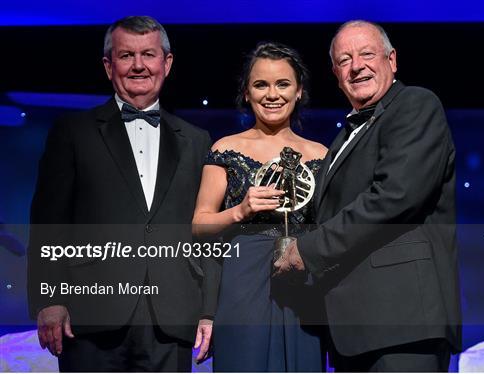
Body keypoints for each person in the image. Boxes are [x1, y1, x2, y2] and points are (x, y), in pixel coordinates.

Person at [27, 16, 220, 372]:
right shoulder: (73, 132)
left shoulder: (196, 140)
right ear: (108, 65)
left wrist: (208, 310)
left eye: (148, 54)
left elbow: (205, 231)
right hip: (90, 314)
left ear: (167, 62)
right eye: (126, 55)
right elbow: (48, 222)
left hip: (172, 315)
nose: (138, 65)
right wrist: (48, 299)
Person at [274, 20, 462, 372]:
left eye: (366, 54)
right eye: (344, 59)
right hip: (351, 330)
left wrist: (307, 250)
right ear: (335, 73)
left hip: (402, 323)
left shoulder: (415, 104)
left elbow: (394, 196)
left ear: (392, 60)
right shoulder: (344, 135)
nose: (356, 65)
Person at [192, 42, 328, 372]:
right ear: (247, 93)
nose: (272, 94)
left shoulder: (322, 154)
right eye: (260, 84)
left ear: (299, 92)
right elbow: (199, 225)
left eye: (283, 84)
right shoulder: (226, 148)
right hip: (242, 279)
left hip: (302, 281)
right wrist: (240, 210)